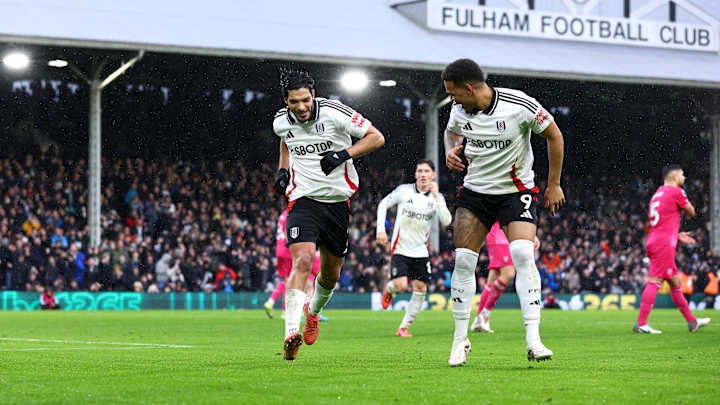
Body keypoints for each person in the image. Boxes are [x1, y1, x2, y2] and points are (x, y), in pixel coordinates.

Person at [442, 58, 565, 366]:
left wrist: (554, 185)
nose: (452, 100)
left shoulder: (519, 105)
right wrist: (451, 150)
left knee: (523, 255)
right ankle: (459, 341)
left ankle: (534, 340)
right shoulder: (459, 111)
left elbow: (555, 136)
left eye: (454, 94)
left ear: (469, 89)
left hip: (515, 191)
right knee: (463, 261)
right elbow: (452, 132)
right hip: (475, 193)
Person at [272, 68, 385, 361]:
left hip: (337, 203)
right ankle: (290, 333)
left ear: (313, 95)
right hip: (303, 199)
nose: (301, 107)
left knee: (331, 274)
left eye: (305, 100)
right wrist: (283, 170)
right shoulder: (281, 121)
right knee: (303, 260)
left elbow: (377, 138)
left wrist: (343, 154)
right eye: (294, 102)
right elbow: (285, 139)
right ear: (286, 100)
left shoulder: (334, 112)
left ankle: (314, 312)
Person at [377, 159, 452, 337]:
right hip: (400, 248)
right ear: (415, 175)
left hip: (420, 251)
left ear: (433, 175)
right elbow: (383, 204)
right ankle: (390, 289)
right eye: (420, 171)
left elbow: (447, 221)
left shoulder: (437, 198)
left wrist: (437, 197)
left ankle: (403, 327)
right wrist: (381, 229)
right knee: (401, 286)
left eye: (427, 171)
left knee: (420, 289)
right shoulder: (404, 191)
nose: (423, 174)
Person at [634, 166, 710, 334]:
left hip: (656, 240)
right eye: (682, 174)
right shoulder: (676, 191)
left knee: (675, 283)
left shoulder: (657, 194)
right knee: (655, 281)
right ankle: (641, 323)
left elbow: (663, 223)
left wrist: (676, 235)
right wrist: (685, 199)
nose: (684, 176)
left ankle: (692, 322)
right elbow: (691, 212)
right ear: (675, 176)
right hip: (663, 245)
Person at [470, 222, 539, 333]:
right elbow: (516, 214)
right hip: (502, 235)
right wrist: (531, 235)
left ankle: (478, 319)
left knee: (492, 280)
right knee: (509, 274)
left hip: (497, 234)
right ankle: (485, 314)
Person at [264, 207, 323, 320]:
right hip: (287, 251)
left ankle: (273, 303)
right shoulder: (290, 215)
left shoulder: (283, 214)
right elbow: (287, 234)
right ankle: (289, 311)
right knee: (294, 280)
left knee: (287, 280)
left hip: (279, 250)